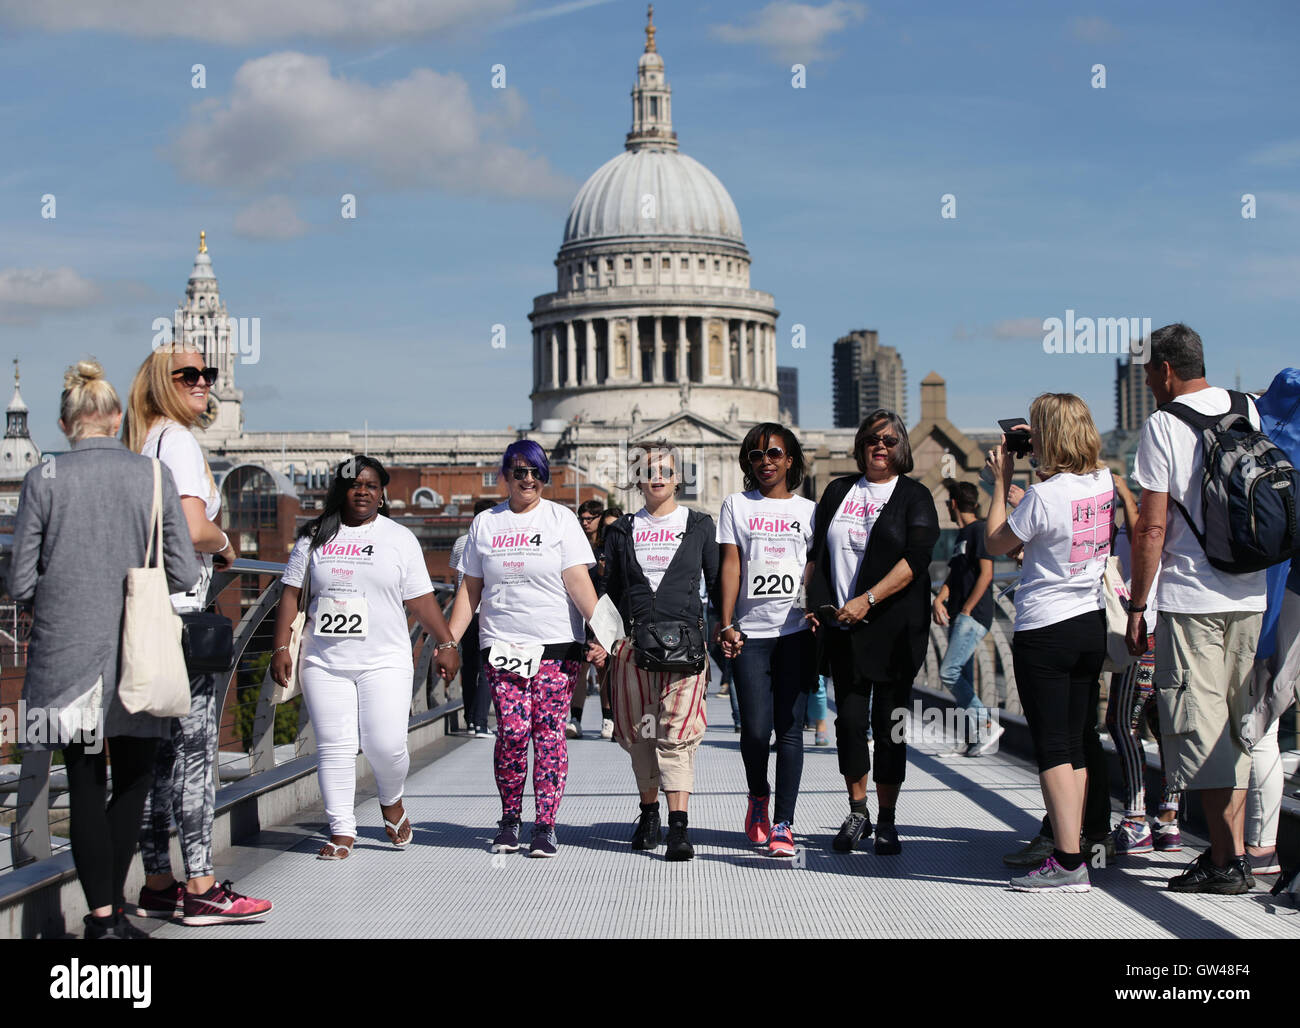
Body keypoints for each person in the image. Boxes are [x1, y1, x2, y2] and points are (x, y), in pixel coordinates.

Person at [8, 359, 201, 939]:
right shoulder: (150, 476)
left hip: (65, 656)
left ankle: (102, 919)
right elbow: (184, 569)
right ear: (117, 418)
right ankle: (114, 911)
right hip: (137, 653)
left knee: (85, 785)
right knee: (135, 781)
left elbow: (19, 583)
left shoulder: (41, 480)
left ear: (66, 425)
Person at [121, 343, 272, 926]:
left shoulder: (142, 441)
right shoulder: (179, 442)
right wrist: (227, 541)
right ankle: (204, 886)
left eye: (208, 373)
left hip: (145, 619)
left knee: (157, 757)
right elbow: (189, 526)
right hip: (184, 619)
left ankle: (159, 882)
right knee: (195, 753)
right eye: (189, 375)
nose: (204, 382)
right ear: (164, 382)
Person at [1127, 324, 1268, 894]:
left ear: (1164, 370)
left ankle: (1224, 860)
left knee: (1199, 729)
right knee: (1238, 729)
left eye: (1148, 373)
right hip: (1252, 592)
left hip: (1192, 600)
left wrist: (1138, 605)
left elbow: (1151, 526)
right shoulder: (1247, 409)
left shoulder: (1163, 425)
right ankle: (1233, 852)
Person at [270, 456, 460, 860]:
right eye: (354, 484)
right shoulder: (313, 537)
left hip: (385, 658)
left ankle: (392, 801)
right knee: (335, 746)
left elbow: (422, 600)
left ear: (381, 493)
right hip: (324, 660)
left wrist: (445, 643)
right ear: (341, 490)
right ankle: (342, 831)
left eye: (371, 485)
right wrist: (280, 648)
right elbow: (290, 594)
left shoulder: (399, 538)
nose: (362, 491)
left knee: (386, 744)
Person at [447, 441, 601, 858]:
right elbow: (471, 590)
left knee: (548, 736)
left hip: (555, 645)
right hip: (502, 644)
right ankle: (510, 818)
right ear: (506, 476)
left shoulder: (561, 520)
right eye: (519, 471)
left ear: (544, 476)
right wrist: (448, 641)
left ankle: (546, 825)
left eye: (535, 471)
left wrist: (607, 634)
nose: (528, 479)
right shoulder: (486, 523)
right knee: (512, 734)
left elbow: (579, 584)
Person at [985, 393, 1111, 893]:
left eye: (1035, 431)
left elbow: (996, 542)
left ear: (1049, 436)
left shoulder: (1042, 496)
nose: (1028, 439)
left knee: (1053, 746)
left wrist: (1001, 480)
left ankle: (1067, 862)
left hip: (1045, 629)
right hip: (1089, 623)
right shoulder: (1100, 482)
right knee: (1078, 740)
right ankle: (1073, 846)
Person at [806, 410, 939, 856]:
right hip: (843, 628)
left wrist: (869, 599)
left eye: (888, 440)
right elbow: (816, 554)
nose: (879, 447)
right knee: (848, 723)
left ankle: (887, 819)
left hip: (893, 631)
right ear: (860, 445)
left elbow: (916, 559)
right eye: (871, 440)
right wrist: (815, 605)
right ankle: (857, 810)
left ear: (901, 447)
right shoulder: (838, 491)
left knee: (890, 726)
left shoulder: (915, 496)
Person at [600, 443, 720, 860]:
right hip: (633, 648)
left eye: (665, 470)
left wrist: (727, 631)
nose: (657, 477)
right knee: (641, 735)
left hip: (685, 648)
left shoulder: (701, 524)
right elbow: (610, 592)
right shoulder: (620, 530)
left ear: (678, 477)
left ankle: (679, 828)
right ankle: (648, 811)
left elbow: (718, 584)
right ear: (637, 478)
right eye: (649, 470)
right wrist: (602, 642)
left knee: (678, 737)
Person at [717, 423, 816, 857]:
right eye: (756, 456)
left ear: (790, 459)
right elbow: (731, 566)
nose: (765, 462)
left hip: (795, 631)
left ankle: (784, 823)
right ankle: (759, 794)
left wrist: (813, 605)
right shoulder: (735, 505)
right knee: (756, 731)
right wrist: (726, 622)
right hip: (751, 633)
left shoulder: (810, 510)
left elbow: (814, 564)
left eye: (774, 453)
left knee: (790, 731)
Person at [1106, 473, 1182, 855]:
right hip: (1160, 633)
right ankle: (1169, 818)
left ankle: (1136, 818)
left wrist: (1123, 495)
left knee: (1122, 723)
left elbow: (1141, 541)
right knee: (1161, 723)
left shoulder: (1148, 525)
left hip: (1142, 634)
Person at [932, 478, 1002, 757]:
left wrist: (967, 609)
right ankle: (973, 738)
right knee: (961, 675)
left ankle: (986, 722)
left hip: (972, 615)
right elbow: (955, 574)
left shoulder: (979, 530)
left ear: (953, 505)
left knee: (948, 672)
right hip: (960, 613)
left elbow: (987, 574)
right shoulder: (962, 535)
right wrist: (940, 598)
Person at [450, 498, 497, 737]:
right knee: (488, 668)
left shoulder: (460, 542)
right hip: (484, 612)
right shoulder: (490, 540)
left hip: (464, 614)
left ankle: (469, 719)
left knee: (468, 668)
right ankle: (480, 722)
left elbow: (456, 578)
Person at [567, 498, 608, 740]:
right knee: (580, 668)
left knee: (604, 667)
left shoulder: (607, 547)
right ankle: (575, 719)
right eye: (581, 519)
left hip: (602, 612)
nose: (585, 523)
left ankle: (608, 718)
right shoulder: (577, 546)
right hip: (580, 613)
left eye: (589, 518)